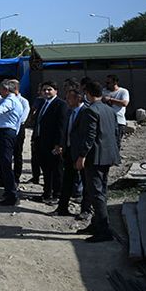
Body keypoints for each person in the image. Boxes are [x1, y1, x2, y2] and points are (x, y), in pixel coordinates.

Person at [75, 80, 121, 242]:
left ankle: (104, 230)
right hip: (107, 156)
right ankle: (96, 224)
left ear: (87, 92)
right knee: (101, 191)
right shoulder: (109, 110)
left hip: (95, 158)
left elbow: (89, 137)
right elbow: (116, 134)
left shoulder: (91, 111)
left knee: (96, 193)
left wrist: (81, 156)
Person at [54, 88, 91, 218]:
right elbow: (66, 131)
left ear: (78, 98)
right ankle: (62, 207)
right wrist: (61, 145)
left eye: (69, 98)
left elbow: (88, 135)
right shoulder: (70, 112)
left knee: (86, 182)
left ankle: (85, 210)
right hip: (69, 151)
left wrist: (83, 154)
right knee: (67, 180)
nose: (67, 100)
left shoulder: (86, 112)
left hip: (81, 154)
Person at [31, 81, 68, 204]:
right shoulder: (42, 103)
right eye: (44, 90)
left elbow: (61, 127)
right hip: (41, 142)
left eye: (49, 89)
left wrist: (59, 144)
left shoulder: (60, 104)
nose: (46, 92)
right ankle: (47, 192)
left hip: (54, 144)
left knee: (56, 170)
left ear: (56, 91)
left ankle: (57, 194)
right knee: (46, 169)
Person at [102, 74, 130, 150]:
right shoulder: (104, 91)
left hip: (118, 121)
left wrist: (110, 100)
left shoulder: (123, 91)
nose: (106, 84)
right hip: (106, 120)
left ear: (115, 82)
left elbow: (124, 103)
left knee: (116, 142)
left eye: (108, 83)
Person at [12, 80, 31, 184]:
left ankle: (16, 176)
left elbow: (23, 117)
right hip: (8, 129)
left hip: (19, 128)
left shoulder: (23, 101)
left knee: (17, 153)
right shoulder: (5, 100)